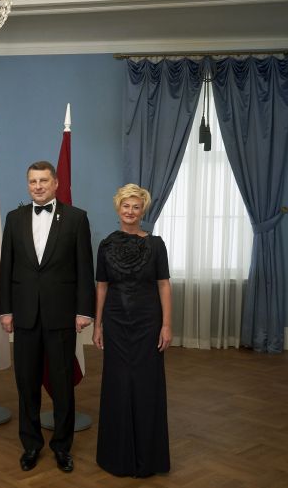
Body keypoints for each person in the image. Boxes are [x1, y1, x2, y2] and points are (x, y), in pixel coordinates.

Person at [0, 160, 95, 473]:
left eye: (43, 180)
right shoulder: (14, 218)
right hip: (24, 315)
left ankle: (62, 447)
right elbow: (6, 267)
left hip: (62, 315)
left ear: (55, 183)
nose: (38, 186)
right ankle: (31, 445)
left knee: (63, 384)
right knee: (26, 383)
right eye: (32, 181)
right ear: (28, 185)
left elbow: (85, 268)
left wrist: (84, 310)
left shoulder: (77, 218)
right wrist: (5, 310)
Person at [92, 183, 172, 478]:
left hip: (148, 323)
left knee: (146, 385)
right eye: (126, 206)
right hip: (115, 323)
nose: (130, 211)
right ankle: (118, 457)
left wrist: (166, 325)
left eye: (136, 207)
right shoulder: (106, 245)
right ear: (118, 209)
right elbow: (102, 287)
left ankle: (148, 458)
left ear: (142, 211)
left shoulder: (156, 245)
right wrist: (97, 325)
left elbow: (164, 285)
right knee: (118, 384)